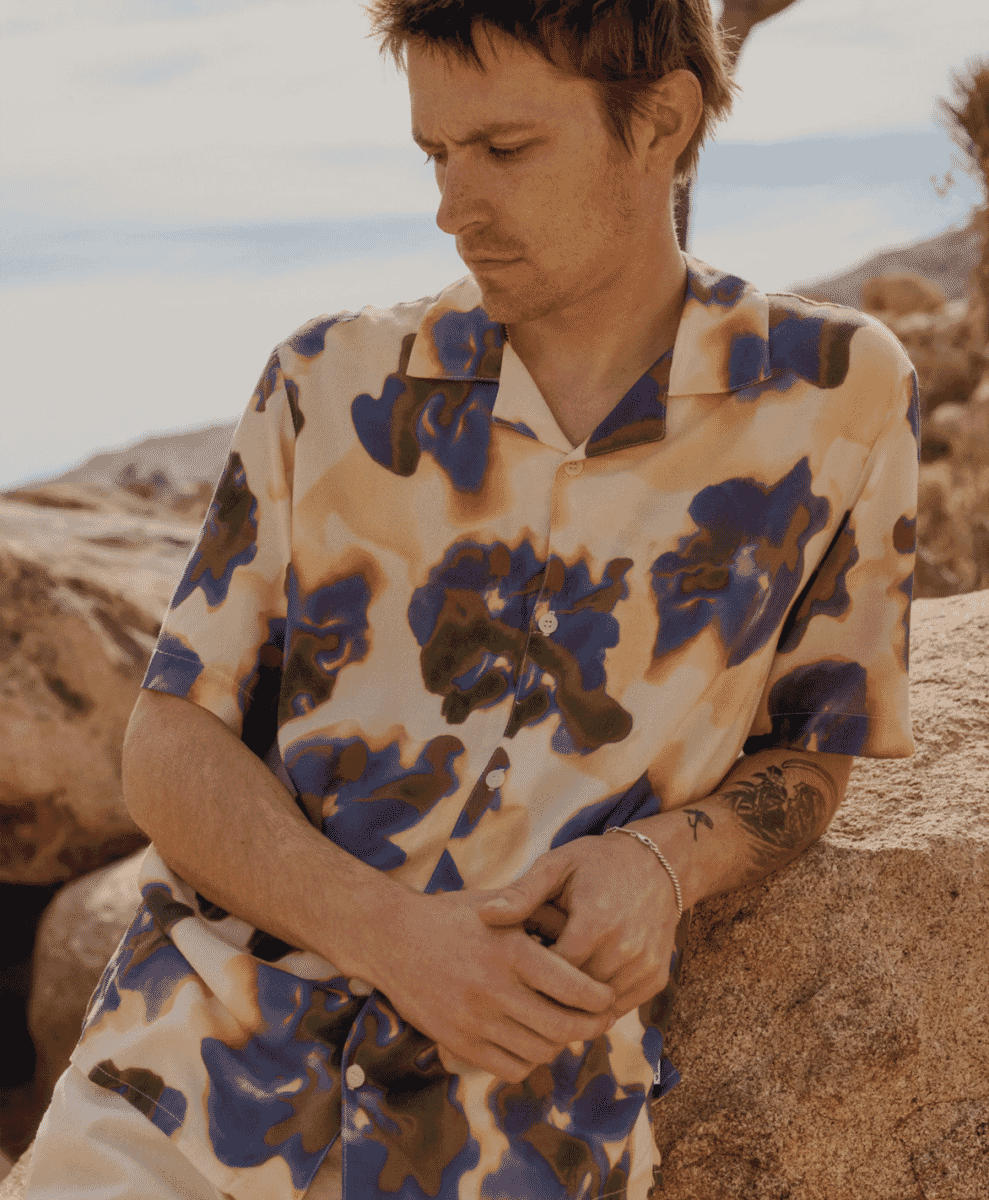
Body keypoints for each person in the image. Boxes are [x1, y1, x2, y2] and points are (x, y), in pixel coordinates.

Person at [23, 2, 919, 1198]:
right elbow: (168, 742)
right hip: (183, 1082)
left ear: (661, 120)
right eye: (435, 154)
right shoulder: (326, 383)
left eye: (504, 151)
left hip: (514, 1132)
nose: (453, 207)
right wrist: (388, 937)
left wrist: (665, 864)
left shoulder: (834, 396)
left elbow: (812, 756)